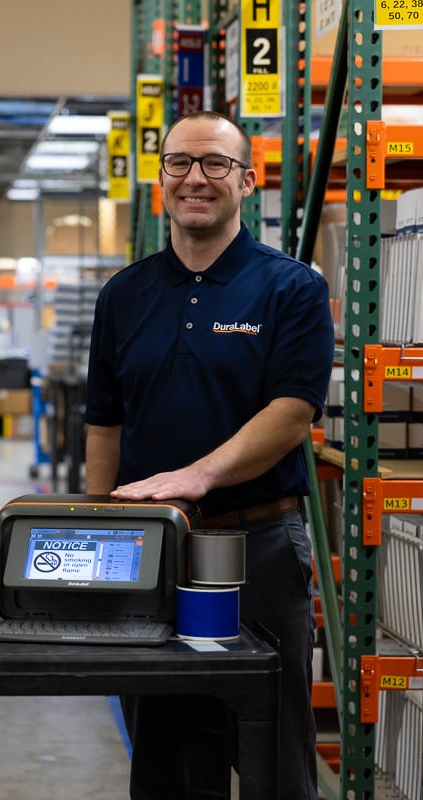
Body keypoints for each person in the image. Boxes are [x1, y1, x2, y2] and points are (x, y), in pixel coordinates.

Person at [84, 110, 333, 799]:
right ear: (160, 176)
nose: (195, 177)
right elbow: (104, 422)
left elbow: (291, 413)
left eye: (215, 164)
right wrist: (97, 520)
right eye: (179, 163)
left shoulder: (292, 289)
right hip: (150, 551)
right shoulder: (124, 294)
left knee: (274, 748)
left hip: (259, 545)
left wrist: (192, 478)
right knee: (162, 747)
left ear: (248, 180)